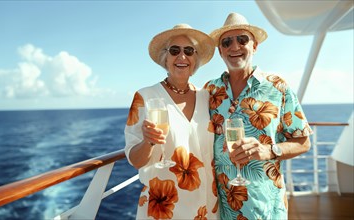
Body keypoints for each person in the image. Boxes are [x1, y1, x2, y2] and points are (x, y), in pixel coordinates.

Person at [204, 12, 313, 219]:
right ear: (220, 51)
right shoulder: (210, 90)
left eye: (242, 40)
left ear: (254, 46)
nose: (234, 47)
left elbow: (303, 142)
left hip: (266, 206)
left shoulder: (278, 87)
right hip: (222, 206)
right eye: (227, 42)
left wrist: (269, 150)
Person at [124, 24, 219, 219]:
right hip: (165, 208)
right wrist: (148, 141)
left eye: (189, 51)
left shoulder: (207, 97)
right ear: (165, 58)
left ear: (196, 60)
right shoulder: (145, 97)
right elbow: (135, 160)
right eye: (174, 50)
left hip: (207, 208)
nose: (182, 57)